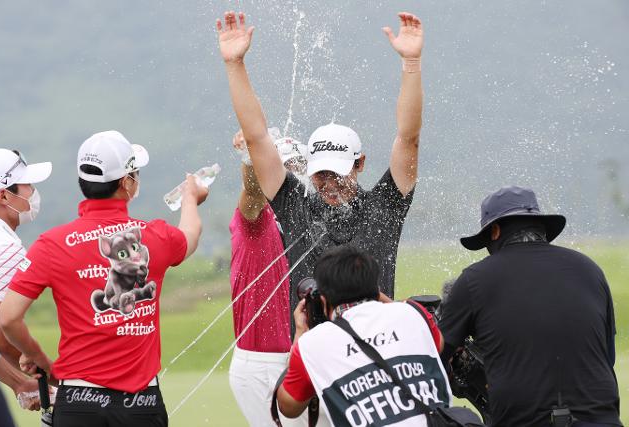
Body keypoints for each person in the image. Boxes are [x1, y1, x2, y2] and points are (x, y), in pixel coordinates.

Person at [216, 11, 424, 317]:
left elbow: (408, 139)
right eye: (319, 173)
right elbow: (257, 138)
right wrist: (235, 65)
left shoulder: (385, 207)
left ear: (360, 164)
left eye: (337, 173)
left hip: (374, 353)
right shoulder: (294, 207)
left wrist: (411, 64)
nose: (328, 182)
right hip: (311, 355)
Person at [0, 130, 209, 427]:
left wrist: (40, 360)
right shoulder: (153, 236)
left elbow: (7, 318)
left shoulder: (52, 243)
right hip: (142, 404)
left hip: (78, 404)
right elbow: (191, 234)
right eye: (134, 173)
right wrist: (190, 199)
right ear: (126, 183)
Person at [438, 186, 622, 427]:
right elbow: (607, 356)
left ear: (494, 232)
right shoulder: (590, 270)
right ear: (540, 227)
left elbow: (435, 357)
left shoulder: (474, 279)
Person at [276, 245, 451, 426]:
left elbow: (288, 407)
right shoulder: (415, 313)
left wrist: (300, 334)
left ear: (323, 298)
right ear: (376, 287)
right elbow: (438, 345)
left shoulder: (312, 345)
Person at [228, 129, 308, 427]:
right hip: (265, 364)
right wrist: (252, 157)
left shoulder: (312, 221)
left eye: (298, 167)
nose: (291, 177)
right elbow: (252, 192)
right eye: (283, 167)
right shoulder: (258, 222)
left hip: (305, 355)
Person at [0, 148, 51, 411]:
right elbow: (1, 336)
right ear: (4, 195)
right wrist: (51, 377)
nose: (33, 193)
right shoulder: (4, 249)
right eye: (28, 186)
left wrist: (19, 383)